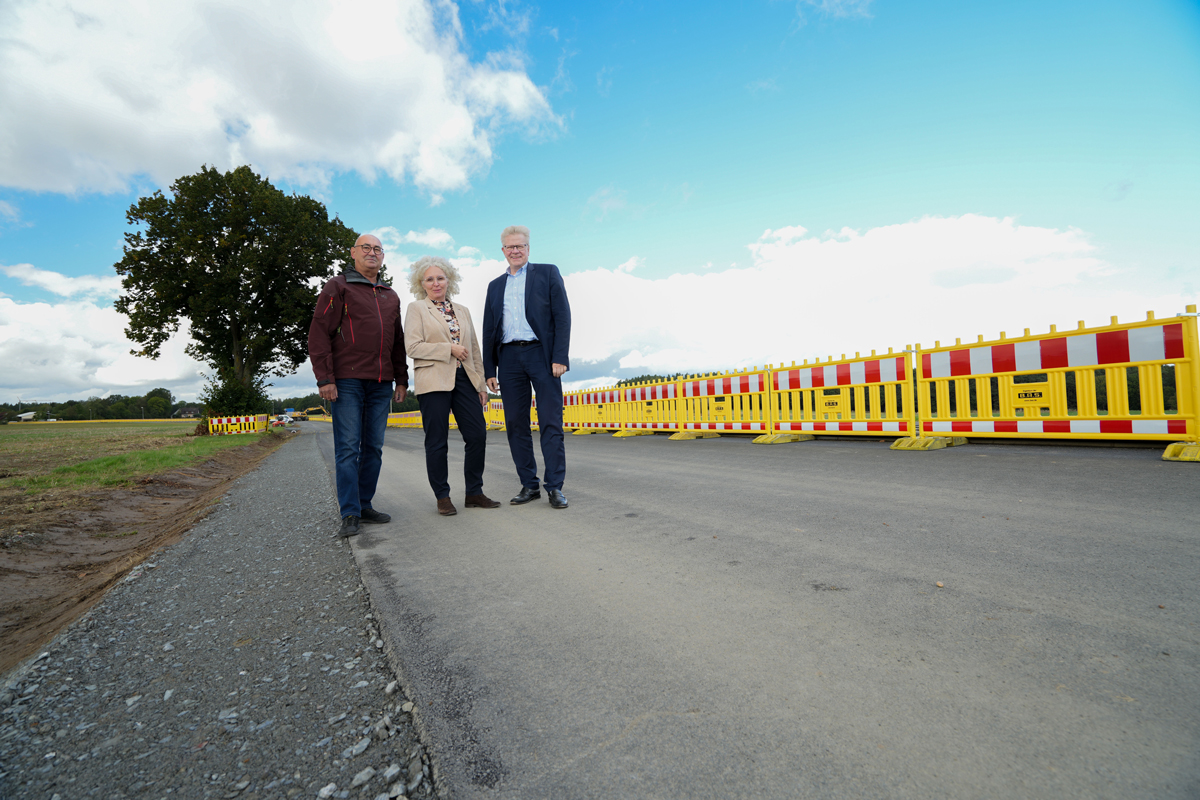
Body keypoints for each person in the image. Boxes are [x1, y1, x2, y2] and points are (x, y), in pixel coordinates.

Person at [308, 233, 408, 538]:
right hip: (347, 380)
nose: (372, 252)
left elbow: (397, 341)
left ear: (383, 256)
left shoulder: (390, 295)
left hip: (381, 383)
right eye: (366, 247)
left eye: (378, 249)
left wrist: (401, 378)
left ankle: (364, 504)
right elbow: (319, 331)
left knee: (374, 449)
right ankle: (349, 512)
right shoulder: (338, 286)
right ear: (353, 252)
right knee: (348, 448)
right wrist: (325, 378)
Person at [482, 225, 572, 509]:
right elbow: (488, 329)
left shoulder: (546, 273)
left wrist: (560, 357)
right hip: (508, 359)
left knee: (550, 421)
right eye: (510, 247)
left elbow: (562, 316)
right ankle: (529, 485)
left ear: (528, 248)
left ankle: (554, 487)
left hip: (541, 355)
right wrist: (489, 369)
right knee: (515, 425)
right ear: (503, 251)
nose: (515, 250)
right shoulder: (495, 286)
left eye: (520, 246)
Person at [404, 256, 499, 516]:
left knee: (478, 434)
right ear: (421, 283)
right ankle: (442, 497)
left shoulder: (462, 310)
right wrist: (449, 349)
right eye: (430, 279)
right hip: (433, 381)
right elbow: (412, 347)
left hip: (465, 380)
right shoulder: (417, 309)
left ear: (449, 280)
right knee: (437, 441)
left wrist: (481, 384)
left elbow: (474, 350)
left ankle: (474, 492)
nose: (436, 283)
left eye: (440, 278)